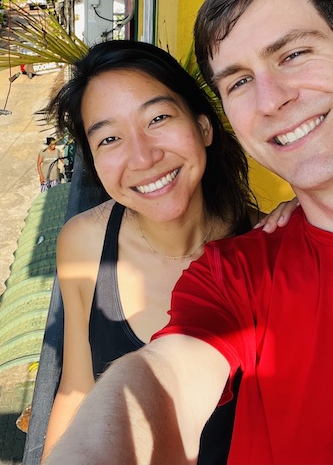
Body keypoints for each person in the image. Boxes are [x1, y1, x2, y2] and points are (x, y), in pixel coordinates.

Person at [43, 0, 333, 465]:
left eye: (293, 54)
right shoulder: (237, 274)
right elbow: (141, 382)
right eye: (239, 81)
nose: (271, 99)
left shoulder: (252, 237)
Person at [40, 40, 297, 461]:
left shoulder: (274, 251)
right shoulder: (84, 242)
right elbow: (77, 387)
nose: (143, 157)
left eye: (158, 118)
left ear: (204, 127)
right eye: (109, 139)